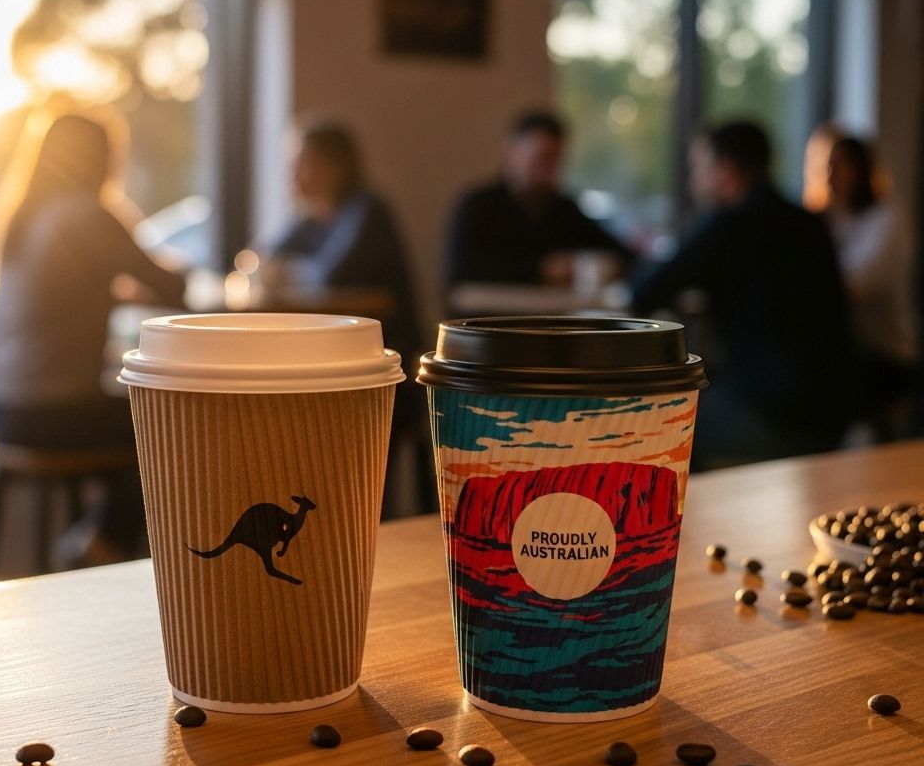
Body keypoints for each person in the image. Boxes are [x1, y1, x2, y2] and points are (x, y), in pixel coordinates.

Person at [0, 110, 187, 564]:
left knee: (135, 419)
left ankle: (96, 538)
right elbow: (171, 286)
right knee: (173, 426)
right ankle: (101, 545)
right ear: (102, 159)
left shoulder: (29, 216)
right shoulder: (86, 215)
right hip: (48, 410)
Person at [631, 120, 852, 470]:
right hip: (836, 413)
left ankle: (686, 521)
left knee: (647, 424)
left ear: (725, 171)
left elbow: (644, 289)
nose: (693, 182)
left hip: (777, 417)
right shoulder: (807, 221)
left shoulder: (731, 224)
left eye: (699, 169)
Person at [261, 115, 427, 515]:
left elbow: (330, 277)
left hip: (387, 373)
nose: (293, 175)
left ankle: (356, 529)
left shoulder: (368, 212)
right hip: (337, 370)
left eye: (301, 163)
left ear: (334, 165)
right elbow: (262, 262)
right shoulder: (311, 219)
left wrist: (281, 273)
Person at [443, 109, 633, 292]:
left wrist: (604, 266)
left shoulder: (564, 210)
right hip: (485, 320)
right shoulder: (478, 206)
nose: (548, 170)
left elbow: (622, 255)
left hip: (552, 318)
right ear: (511, 151)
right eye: (542, 158)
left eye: (556, 160)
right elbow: (461, 269)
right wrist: (541, 270)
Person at [823, 135, 919, 433]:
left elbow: (856, 287)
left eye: (840, 166)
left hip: (883, 353)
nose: (831, 176)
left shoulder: (888, 220)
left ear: (862, 170)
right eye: (830, 167)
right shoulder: (834, 222)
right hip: (852, 353)